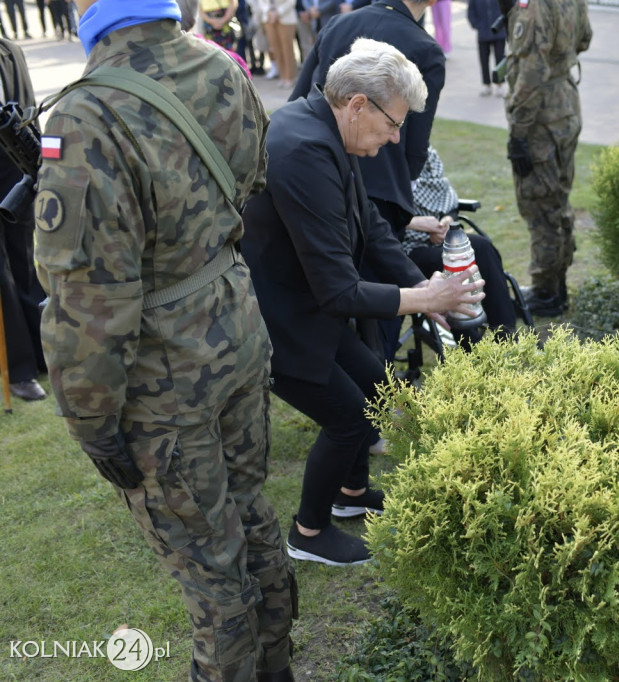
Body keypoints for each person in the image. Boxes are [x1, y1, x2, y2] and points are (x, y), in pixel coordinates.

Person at [33, 1, 295, 680]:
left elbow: (91, 304)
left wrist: (93, 427)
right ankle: (277, 667)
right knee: (249, 511)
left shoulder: (85, 117)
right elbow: (251, 180)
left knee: (210, 567)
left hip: (163, 378)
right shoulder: (223, 66)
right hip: (234, 328)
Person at [241, 37, 484, 566]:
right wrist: (421, 300)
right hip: (276, 318)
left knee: (376, 388)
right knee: (349, 418)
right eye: (394, 124)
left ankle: (351, 496)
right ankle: (308, 532)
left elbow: (372, 230)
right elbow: (338, 290)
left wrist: (425, 292)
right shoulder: (302, 149)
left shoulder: (326, 129)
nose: (397, 138)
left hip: (307, 307)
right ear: (356, 105)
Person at [291, 0, 443, 240]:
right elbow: (416, 144)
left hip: (322, 169)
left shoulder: (337, 24)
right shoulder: (426, 48)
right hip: (382, 186)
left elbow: (299, 100)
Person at [503, 0, 591, 317]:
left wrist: (518, 131)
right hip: (565, 106)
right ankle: (557, 283)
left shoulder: (533, 5)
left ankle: (545, 292)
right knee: (557, 201)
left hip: (540, 118)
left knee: (541, 206)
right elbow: (585, 39)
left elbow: (532, 71)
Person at [401, 145, 517, 347]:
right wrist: (415, 222)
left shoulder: (425, 154)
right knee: (457, 264)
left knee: (482, 248)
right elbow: (376, 217)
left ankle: (507, 338)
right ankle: (472, 347)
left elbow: (449, 204)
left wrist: (446, 221)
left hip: (445, 239)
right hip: (406, 248)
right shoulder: (383, 164)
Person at [1, 36, 46, 402]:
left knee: (25, 261)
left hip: (11, 163)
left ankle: (45, 350)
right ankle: (20, 369)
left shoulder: (9, 50)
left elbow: (29, 108)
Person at [466, 0, 505, 96]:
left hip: (499, 32)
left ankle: (500, 85)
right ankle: (487, 84)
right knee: (484, 60)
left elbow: (509, 8)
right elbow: (471, 12)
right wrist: (477, 25)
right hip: (483, 33)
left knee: (500, 59)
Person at [256, 0, 297, 88]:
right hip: (268, 19)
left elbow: (291, 1)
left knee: (287, 49)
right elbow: (261, 2)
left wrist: (278, 12)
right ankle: (282, 77)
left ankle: (290, 77)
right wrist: (269, 11)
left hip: (286, 18)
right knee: (275, 49)